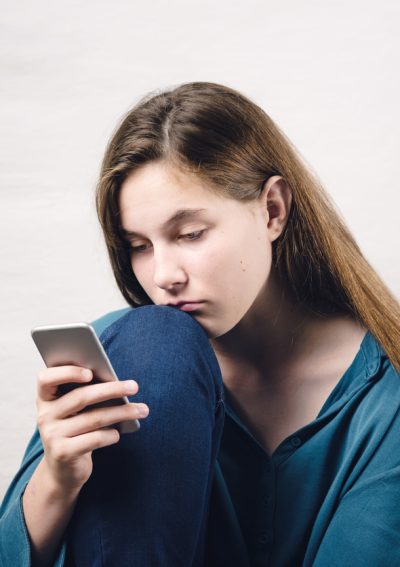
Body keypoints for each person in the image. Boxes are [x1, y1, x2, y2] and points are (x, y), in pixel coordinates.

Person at [1, 81, 400, 567]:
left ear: (272, 210)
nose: (164, 276)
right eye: (139, 246)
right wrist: (56, 479)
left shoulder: (384, 393)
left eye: (190, 234)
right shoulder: (126, 357)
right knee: (153, 344)